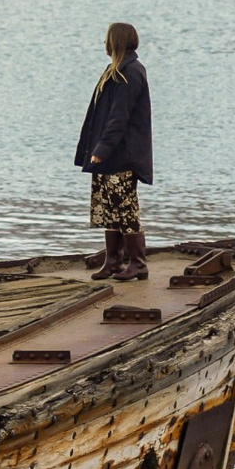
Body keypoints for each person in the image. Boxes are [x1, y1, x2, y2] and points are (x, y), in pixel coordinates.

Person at [75, 20, 153, 281]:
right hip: (109, 156)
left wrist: (102, 149)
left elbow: (119, 118)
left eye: (107, 38)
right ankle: (113, 262)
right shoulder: (115, 70)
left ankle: (138, 263)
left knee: (126, 208)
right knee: (110, 209)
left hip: (122, 156)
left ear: (116, 41)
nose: (104, 43)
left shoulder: (131, 73)